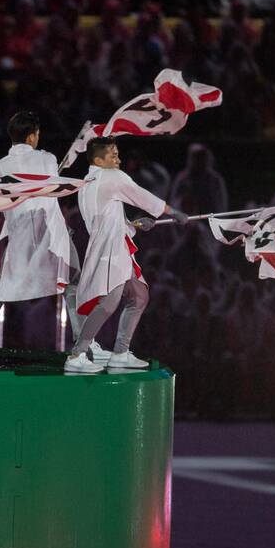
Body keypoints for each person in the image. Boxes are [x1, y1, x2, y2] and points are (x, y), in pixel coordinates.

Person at [0, 111, 109, 363]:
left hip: (20, 229)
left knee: (3, 280)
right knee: (74, 281)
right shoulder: (47, 158)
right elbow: (54, 188)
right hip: (49, 229)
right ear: (33, 136)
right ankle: (84, 342)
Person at [65, 137, 188, 373]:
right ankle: (77, 355)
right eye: (113, 155)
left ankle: (120, 353)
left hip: (113, 245)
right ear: (99, 160)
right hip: (110, 250)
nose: (118, 159)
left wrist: (134, 225)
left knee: (139, 296)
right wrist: (173, 211)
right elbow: (140, 195)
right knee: (109, 303)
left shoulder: (87, 181)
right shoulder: (112, 176)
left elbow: (107, 216)